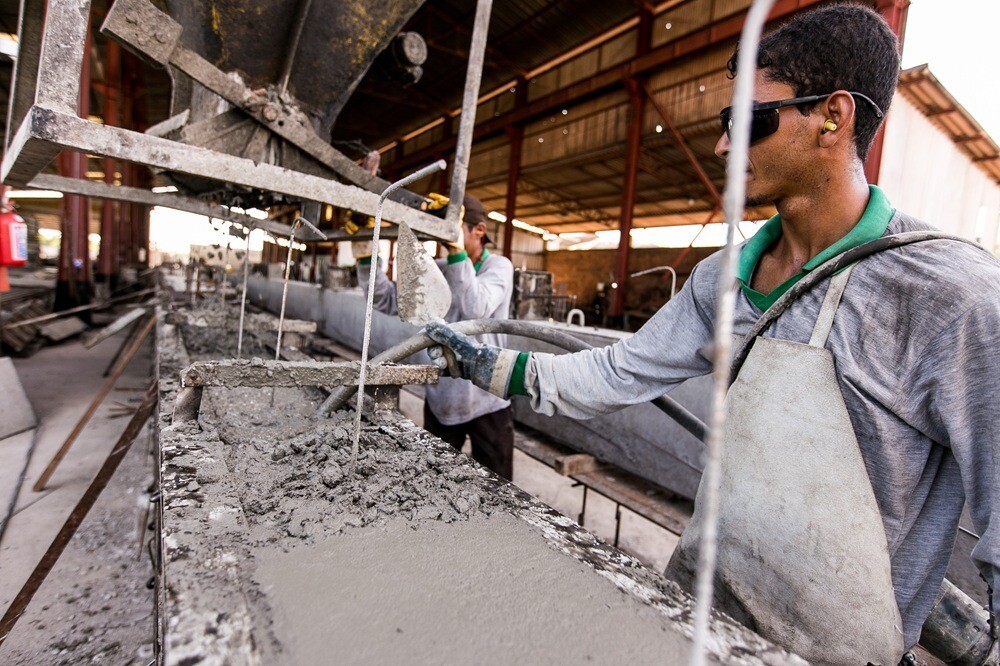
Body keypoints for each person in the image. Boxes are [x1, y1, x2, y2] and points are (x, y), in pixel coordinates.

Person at [422, 5, 1000, 663]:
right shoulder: (723, 278)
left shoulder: (954, 299)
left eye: (749, 121)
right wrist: (484, 364)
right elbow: (614, 374)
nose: (724, 146)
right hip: (700, 622)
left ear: (834, 119)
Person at [354, 193, 516, 480]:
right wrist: (367, 252)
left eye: (452, 229)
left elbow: (475, 308)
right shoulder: (441, 268)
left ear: (479, 230)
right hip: (443, 398)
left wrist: (455, 250)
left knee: (499, 488)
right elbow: (386, 299)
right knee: (433, 481)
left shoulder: (499, 267)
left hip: (487, 400)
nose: (444, 238)